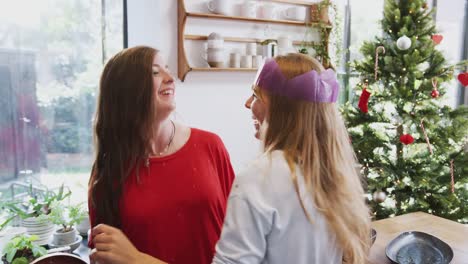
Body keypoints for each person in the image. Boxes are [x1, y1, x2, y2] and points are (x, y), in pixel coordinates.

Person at [212, 54, 371, 264]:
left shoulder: (258, 179)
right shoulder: (335, 175)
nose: (248, 103)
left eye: (256, 95)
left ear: (281, 110)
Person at [88, 46, 235, 264]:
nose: (170, 78)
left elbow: (240, 233)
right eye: (155, 72)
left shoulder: (210, 146)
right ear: (127, 91)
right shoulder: (109, 170)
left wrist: (137, 260)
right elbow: (105, 257)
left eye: (167, 69)